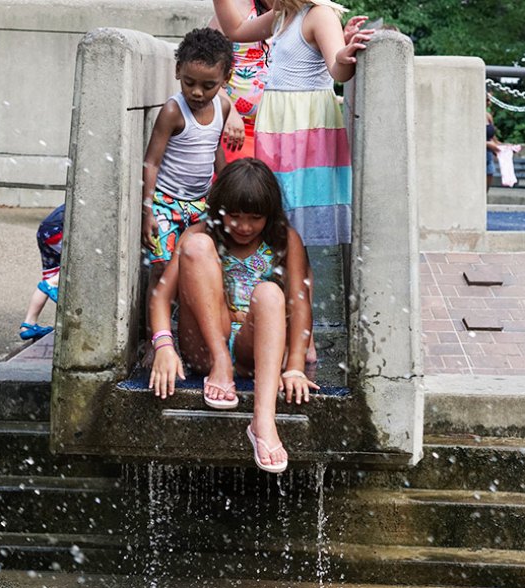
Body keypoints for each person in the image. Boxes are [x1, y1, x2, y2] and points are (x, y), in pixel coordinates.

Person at [148, 159, 318, 473]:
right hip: (206, 346)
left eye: (254, 218)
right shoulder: (202, 231)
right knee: (196, 247)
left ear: (269, 215)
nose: (243, 227)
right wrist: (163, 347)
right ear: (219, 209)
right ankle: (221, 363)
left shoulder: (285, 239)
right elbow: (161, 296)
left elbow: (300, 302)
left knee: (270, 293)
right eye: (234, 216)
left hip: (257, 349)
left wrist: (295, 366)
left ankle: (263, 423)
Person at [212, 0, 370, 248]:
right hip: (278, 126)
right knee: (279, 205)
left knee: (300, 212)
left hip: (303, 126)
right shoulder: (282, 15)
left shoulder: (320, 15)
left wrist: (342, 56)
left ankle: (300, 276)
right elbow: (236, 31)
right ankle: (278, 275)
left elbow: (338, 72)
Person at [142, 27, 241, 298]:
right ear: (178, 71)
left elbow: (214, 149)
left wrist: (228, 188)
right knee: (161, 269)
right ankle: (155, 338)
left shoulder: (222, 107)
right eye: (189, 82)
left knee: (200, 264)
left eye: (208, 85)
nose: (197, 92)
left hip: (201, 204)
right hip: (166, 203)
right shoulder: (173, 111)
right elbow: (151, 163)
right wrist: (147, 210)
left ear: (226, 78)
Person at [209, 0, 272, 162]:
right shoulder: (236, 9)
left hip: (281, 131)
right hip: (237, 129)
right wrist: (230, 111)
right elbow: (206, 68)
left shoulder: (298, 14)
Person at [20, 204, 64, 341]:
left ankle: (28, 325)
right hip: (58, 230)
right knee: (81, 264)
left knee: (50, 277)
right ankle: (53, 283)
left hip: (45, 230)